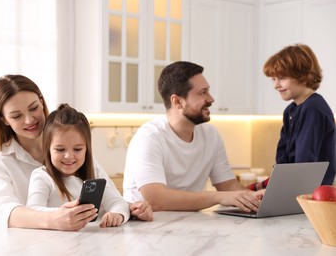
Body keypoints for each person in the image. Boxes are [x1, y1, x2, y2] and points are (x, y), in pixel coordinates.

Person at [0, 75, 152, 231]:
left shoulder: (75, 150)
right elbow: (4, 212)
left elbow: (108, 197)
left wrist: (129, 209)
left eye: (33, 108)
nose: (29, 120)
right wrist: (56, 219)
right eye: (17, 116)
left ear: (41, 101)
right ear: (3, 119)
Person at [123, 61, 264, 212]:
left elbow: (228, 186)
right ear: (177, 101)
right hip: (145, 229)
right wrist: (219, 197)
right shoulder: (149, 138)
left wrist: (256, 197)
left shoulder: (211, 135)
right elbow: (156, 200)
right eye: (203, 92)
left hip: (190, 226)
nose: (211, 99)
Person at [248, 44, 335, 191]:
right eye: (273, 79)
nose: (276, 85)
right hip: (295, 191)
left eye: (282, 78)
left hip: (309, 197)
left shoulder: (313, 109)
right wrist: (260, 187)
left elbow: (303, 166)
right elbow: (283, 164)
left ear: (303, 75)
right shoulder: (291, 111)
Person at [27, 104, 130, 227]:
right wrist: (61, 214)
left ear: (87, 149)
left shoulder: (95, 172)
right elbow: (33, 211)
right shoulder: (42, 177)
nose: (69, 156)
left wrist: (117, 214)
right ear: (48, 149)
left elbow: (119, 202)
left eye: (77, 149)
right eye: (60, 150)